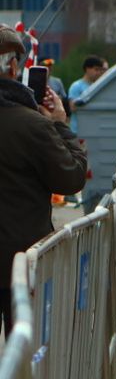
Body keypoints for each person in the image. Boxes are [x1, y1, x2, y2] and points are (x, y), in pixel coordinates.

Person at [0, 29, 88, 334]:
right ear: (13, 68)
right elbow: (72, 178)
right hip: (21, 261)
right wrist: (61, 126)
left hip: (19, 259)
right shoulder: (33, 124)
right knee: (23, 353)